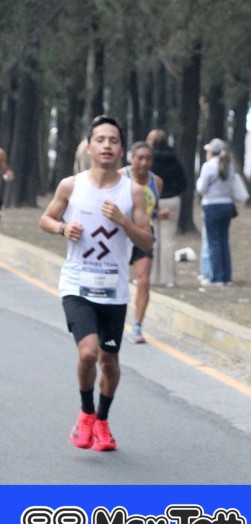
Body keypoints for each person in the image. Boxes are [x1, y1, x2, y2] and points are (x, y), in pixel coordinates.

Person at [38, 115, 153, 451]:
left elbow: (147, 241)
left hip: (114, 290)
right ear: (89, 147)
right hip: (77, 284)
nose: (106, 145)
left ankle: (102, 420)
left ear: (121, 150)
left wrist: (123, 221)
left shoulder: (133, 191)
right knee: (88, 352)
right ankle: (86, 413)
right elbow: (45, 218)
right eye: (100, 140)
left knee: (109, 362)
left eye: (113, 141)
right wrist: (62, 228)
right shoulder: (71, 185)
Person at [120, 142, 165, 344]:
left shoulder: (157, 182)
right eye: (140, 158)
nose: (144, 163)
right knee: (116, 278)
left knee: (144, 279)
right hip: (120, 234)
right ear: (132, 158)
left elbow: (152, 207)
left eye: (148, 159)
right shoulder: (121, 177)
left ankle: (137, 327)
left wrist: (158, 213)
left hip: (143, 234)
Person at [196, 138, 241, 286]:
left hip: (212, 205)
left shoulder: (208, 166)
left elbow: (202, 188)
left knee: (213, 242)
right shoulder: (229, 166)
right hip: (226, 205)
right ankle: (227, 276)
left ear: (211, 151)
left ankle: (216, 277)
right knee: (223, 241)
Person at [146, 129, 187, 288]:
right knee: (168, 239)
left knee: (152, 238)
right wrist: (174, 191)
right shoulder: (174, 158)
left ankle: (151, 276)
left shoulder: (148, 159)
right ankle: (168, 278)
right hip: (171, 200)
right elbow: (183, 181)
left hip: (151, 200)